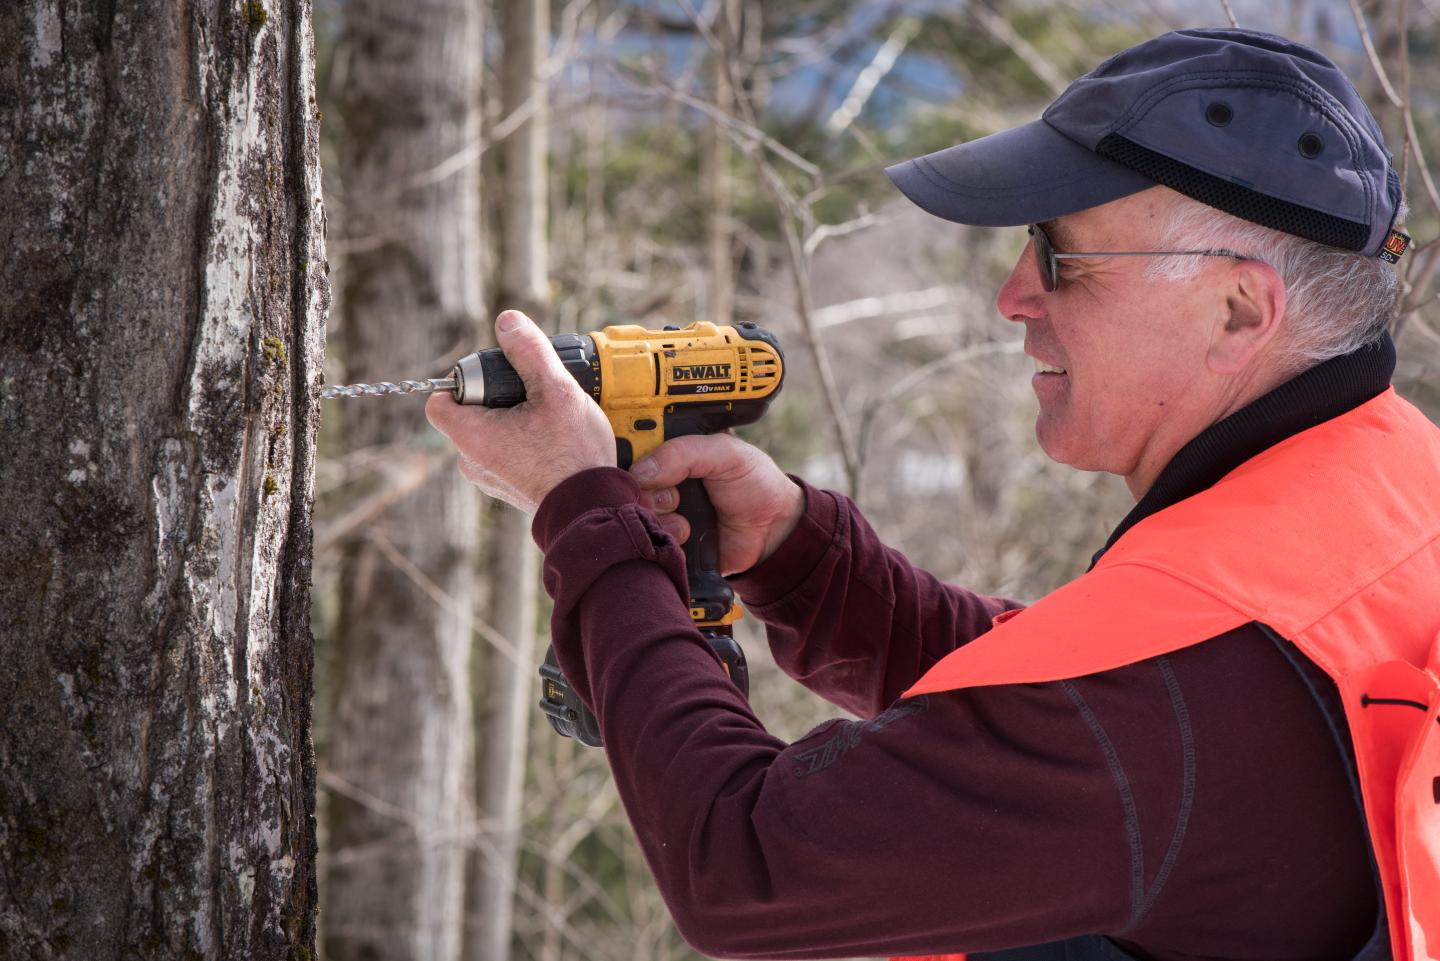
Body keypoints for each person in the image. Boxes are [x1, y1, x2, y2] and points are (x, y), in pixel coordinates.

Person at [427, 28, 1440, 961]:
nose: (1013, 294)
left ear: (1236, 310)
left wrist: (588, 518)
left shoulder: (1159, 709)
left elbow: (744, 865)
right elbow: (1063, 726)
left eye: (1061, 256)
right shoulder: (1389, 490)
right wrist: (804, 559)